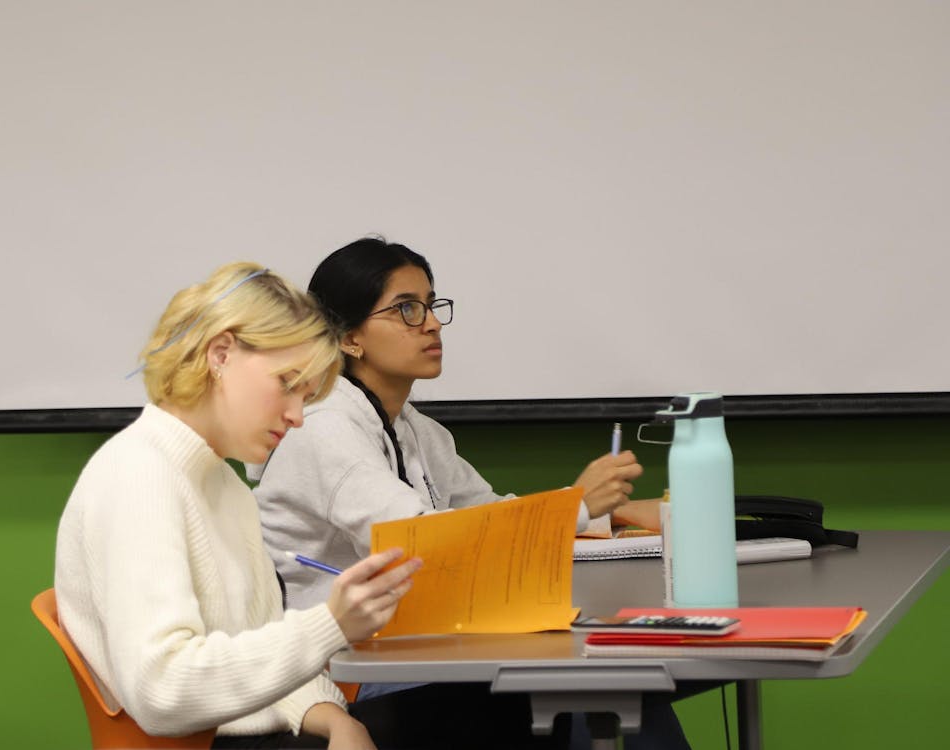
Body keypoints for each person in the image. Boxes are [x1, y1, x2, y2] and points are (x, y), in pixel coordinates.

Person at [249, 239, 696, 750]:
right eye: (406, 309)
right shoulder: (325, 427)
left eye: (432, 304)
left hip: (410, 645)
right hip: (338, 674)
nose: (432, 323)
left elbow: (488, 513)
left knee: (621, 681)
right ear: (350, 337)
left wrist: (607, 515)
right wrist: (576, 504)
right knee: (593, 680)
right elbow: (421, 542)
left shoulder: (416, 429)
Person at [54, 262, 423, 750]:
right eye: (287, 383)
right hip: (204, 741)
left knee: (475, 713)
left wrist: (337, 720)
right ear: (221, 354)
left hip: (250, 733)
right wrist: (328, 625)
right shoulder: (138, 475)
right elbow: (162, 692)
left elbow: (262, 648)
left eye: (307, 395)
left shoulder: (223, 486)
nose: (296, 416)